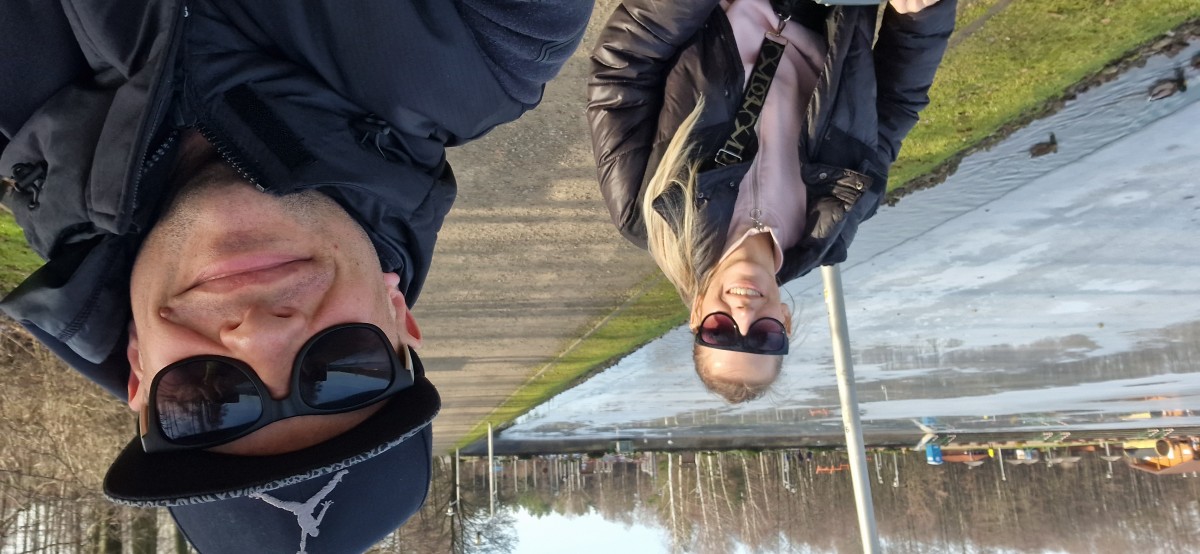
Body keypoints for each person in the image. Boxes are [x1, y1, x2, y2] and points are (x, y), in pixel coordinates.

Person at [0, 0, 592, 551]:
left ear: (138, 369)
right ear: (397, 315)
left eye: (210, 399)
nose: (259, 333)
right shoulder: (488, 45)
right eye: (339, 370)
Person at [586, 0, 955, 402]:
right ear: (785, 322)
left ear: (696, 315)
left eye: (720, 332)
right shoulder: (837, 214)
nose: (744, 316)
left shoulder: (649, 213)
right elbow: (897, 103)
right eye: (763, 337)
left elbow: (620, 73)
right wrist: (921, 18)